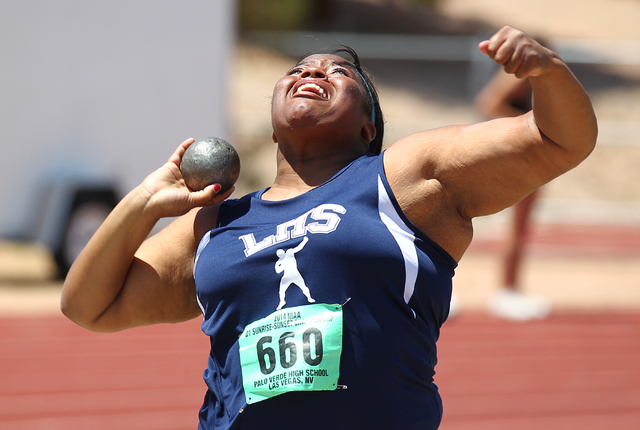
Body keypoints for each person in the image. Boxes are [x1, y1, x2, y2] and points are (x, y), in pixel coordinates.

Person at [60, 26, 597, 429]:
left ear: (368, 128)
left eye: (336, 73)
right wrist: (146, 202)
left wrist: (548, 72)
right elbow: (88, 307)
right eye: (298, 68)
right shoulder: (217, 225)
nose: (311, 72)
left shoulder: (404, 177)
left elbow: (559, 141)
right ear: (272, 126)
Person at [474, 54, 553, 321]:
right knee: (516, 225)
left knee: (520, 225)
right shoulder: (518, 74)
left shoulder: (531, 75)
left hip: (525, 156)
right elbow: (489, 103)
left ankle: (509, 289)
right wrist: (530, 127)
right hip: (512, 157)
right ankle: (507, 290)